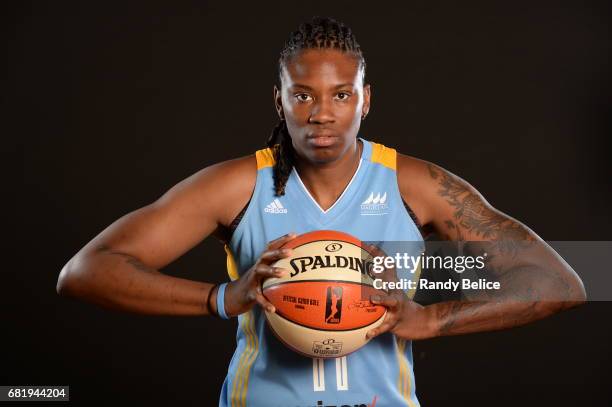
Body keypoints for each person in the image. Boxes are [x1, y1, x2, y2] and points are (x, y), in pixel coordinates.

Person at [56, 16, 586, 407]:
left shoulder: (415, 186)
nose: (323, 114)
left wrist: (428, 318)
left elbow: (561, 281)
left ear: (366, 99)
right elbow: (83, 272)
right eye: (303, 95)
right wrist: (222, 298)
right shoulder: (237, 186)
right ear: (279, 99)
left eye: (341, 95)